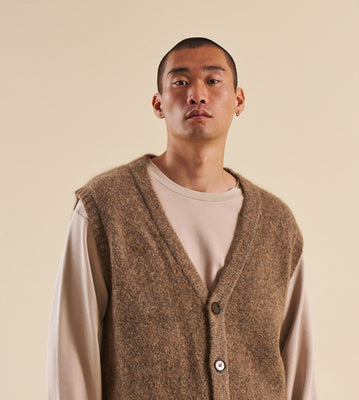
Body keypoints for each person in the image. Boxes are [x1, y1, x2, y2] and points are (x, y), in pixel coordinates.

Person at [47, 37, 317, 399]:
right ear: (158, 104)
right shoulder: (106, 209)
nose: (197, 94)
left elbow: (299, 369)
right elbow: (72, 360)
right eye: (180, 82)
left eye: (213, 80)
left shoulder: (276, 225)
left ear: (238, 100)